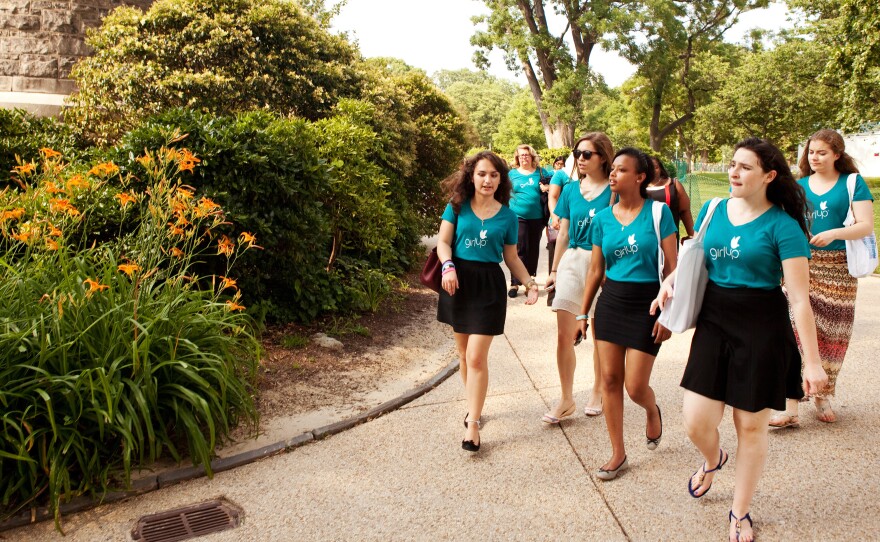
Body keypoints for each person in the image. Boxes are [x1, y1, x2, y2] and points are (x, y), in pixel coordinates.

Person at [651, 138, 828, 542]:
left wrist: (813, 362)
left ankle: (740, 511)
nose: (734, 172)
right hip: (714, 322)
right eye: (733, 164)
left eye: (745, 167)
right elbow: (699, 256)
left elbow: (799, 298)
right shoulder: (715, 209)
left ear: (768, 176)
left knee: (750, 426)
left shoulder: (783, 226)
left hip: (762, 327)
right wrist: (671, 281)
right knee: (696, 421)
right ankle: (713, 459)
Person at [577, 147, 678, 480]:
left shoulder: (660, 214)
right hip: (611, 303)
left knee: (635, 386)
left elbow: (674, 270)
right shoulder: (602, 219)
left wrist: (668, 314)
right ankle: (618, 453)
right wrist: (583, 314)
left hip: (648, 304)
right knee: (609, 380)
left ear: (640, 177)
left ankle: (651, 410)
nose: (613, 174)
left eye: (621, 170)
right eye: (613, 169)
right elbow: (595, 270)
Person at [769, 129, 875, 428]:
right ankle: (790, 406)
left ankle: (822, 393)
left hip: (839, 268)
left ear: (837, 155)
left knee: (832, 335)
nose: (814, 158)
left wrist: (834, 234)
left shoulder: (852, 184)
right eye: (811, 152)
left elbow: (865, 225)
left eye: (822, 153)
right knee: (795, 334)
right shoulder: (798, 186)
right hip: (803, 264)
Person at [435, 151, 539, 452]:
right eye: (482, 173)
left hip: (488, 286)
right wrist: (448, 265)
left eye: (494, 175)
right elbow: (443, 242)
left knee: (477, 357)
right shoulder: (457, 206)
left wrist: (530, 282)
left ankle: (473, 424)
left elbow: (511, 257)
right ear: (471, 176)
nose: (488, 180)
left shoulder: (507, 215)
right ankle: (474, 406)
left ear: (501, 180)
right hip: (457, 281)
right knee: (465, 354)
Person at [543, 134, 614, 424]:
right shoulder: (571, 190)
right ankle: (566, 398)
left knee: (599, 334)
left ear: (603, 158)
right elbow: (564, 233)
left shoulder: (615, 190)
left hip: (605, 265)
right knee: (563, 334)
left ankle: (597, 390)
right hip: (574, 260)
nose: (581, 158)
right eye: (578, 153)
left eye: (588, 154)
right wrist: (555, 270)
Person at [507, 144, 552, 298]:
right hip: (517, 216)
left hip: (537, 217)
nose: (524, 157)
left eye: (526, 155)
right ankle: (514, 283)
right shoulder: (512, 174)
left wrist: (547, 187)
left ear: (532, 156)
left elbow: (556, 183)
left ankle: (530, 281)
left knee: (533, 249)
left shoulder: (541, 172)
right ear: (517, 158)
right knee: (520, 248)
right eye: (521, 155)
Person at [646, 156, 695, 242]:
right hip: (645, 238)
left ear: (661, 168)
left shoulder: (674, 184)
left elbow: (685, 211)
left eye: (656, 167)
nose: (653, 170)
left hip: (670, 238)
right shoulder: (637, 187)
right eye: (649, 167)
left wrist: (692, 236)